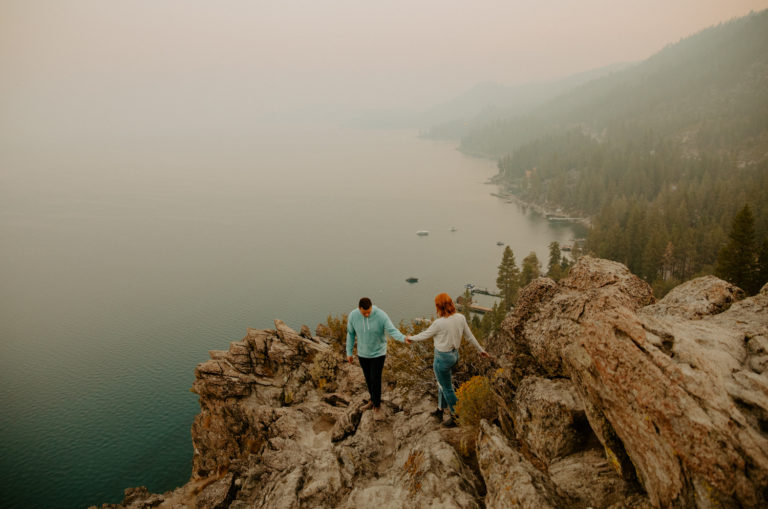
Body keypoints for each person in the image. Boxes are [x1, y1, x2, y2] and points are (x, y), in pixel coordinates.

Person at [406, 293, 491, 427]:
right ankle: (440, 410)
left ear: (438, 307)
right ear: (451, 304)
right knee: (442, 383)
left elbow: (424, 335)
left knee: (447, 388)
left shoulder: (438, 323)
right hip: (454, 356)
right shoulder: (461, 318)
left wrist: (410, 338)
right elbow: (470, 336)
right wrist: (480, 350)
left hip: (442, 358)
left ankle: (456, 416)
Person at [346, 297, 407, 419]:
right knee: (368, 379)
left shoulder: (381, 315)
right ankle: (372, 400)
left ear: (371, 307)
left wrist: (403, 338)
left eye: (369, 311)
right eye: (365, 313)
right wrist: (349, 352)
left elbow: (392, 330)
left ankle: (377, 405)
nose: (367, 314)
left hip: (378, 353)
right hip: (363, 354)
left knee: (375, 378)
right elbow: (351, 334)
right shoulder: (353, 316)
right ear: (359, 309)